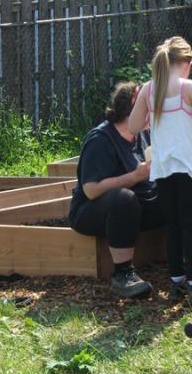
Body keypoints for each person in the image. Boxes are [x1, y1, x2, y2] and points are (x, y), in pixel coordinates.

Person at [129, 36, 192, 305]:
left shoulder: (149, 89)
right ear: (186, 62)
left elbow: (134, 127)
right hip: (190, 168)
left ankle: (176, 282)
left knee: (173, 227)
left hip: (163, 168)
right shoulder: (189, 88)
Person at [69, 81, 164, 299]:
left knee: (177, 191)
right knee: (124, 199)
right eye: (148, 108)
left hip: (138, 208)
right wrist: (135, 176)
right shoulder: (100, 140)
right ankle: (122, 274)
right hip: (93, 211)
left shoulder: (143, 134)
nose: (153, 113)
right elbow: (91, 190)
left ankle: (189, 263)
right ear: (132, 110)